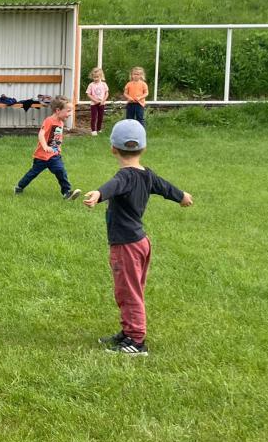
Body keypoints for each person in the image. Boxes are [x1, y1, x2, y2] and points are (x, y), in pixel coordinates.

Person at [82, 119, 193, 356]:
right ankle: (128, 331)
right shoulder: (147, 175)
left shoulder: (124, 176)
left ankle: (136, 340)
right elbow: (165, 187)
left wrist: (98, 194)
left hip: (126, 246)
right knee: (132, 289)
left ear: (113, 148)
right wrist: (182, 196)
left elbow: (114, 185)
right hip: (141, 242)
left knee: (128, 292)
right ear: (144, 148)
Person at [14, 96, 82, 200]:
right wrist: (45, 146)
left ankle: (67, 192)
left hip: (54, 155)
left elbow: (56, 137)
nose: (70, 114)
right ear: (58, 110)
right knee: (33, 173)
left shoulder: (61, 122)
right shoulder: (49, 120)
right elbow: (41, 134)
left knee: (61, 171)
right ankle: (19, 187)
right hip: (42, 156)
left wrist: (58, 148)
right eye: (68, 111)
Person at [86, 66, 109, 136]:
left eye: (97, 77)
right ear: (92, 77)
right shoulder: (91, 85)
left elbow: (107, 93)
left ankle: (99, 129)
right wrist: (95, 100)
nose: (95, 79)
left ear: (101, 76)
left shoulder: (103, 84)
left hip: (101, 104)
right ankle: (93, 130)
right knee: (94, 117)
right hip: (94, 104)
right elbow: (88, 94)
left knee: (100, 117)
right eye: (94, 77)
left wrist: (103, 101)